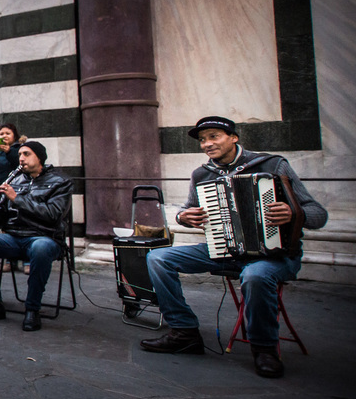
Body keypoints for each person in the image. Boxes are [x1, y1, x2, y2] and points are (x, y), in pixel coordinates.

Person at [140, 117, 328, 378]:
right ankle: (184, 331)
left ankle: (264, 349)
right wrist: (183, 217)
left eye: (213, 136)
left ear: (233, 138)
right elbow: (186, 210)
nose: (207, 144)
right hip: (225, 250)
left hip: (276, 255)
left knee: (255, 274)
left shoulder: (273, 165)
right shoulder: (202, 174)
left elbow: (318, 214)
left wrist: (295, 213)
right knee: (158, 258)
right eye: (202, 140)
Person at [0, 141, 71, 332]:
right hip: (15, 238)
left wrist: (17, 198)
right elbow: (1, 222)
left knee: (40, 248)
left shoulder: (60, 182)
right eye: (19, 155)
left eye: (26, 154)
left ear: (39, 158)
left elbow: (53, 215)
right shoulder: (15, 181)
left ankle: (32, 309)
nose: (21, 159)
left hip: (45, 238)